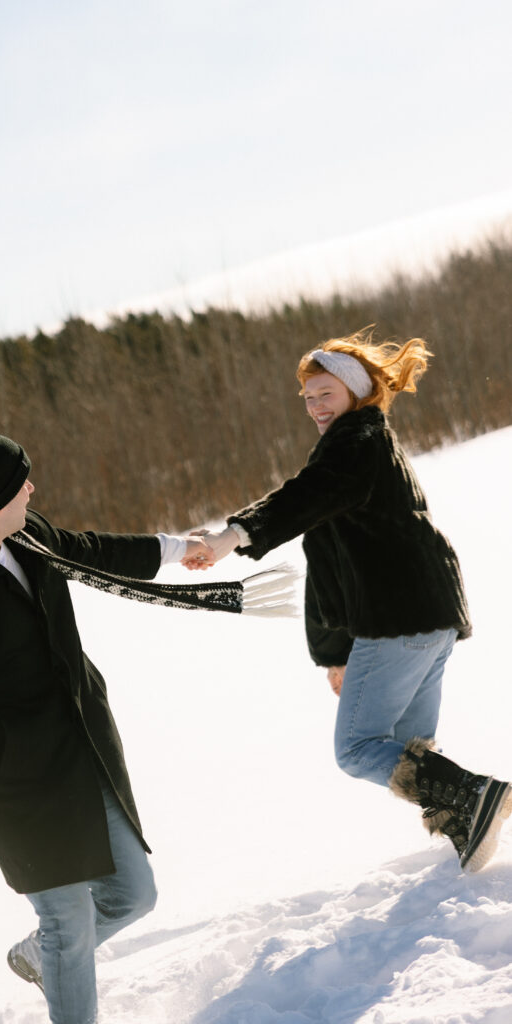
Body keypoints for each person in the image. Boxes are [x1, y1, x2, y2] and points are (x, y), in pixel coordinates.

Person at [0, 431, 218, 1024]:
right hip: (9, 777)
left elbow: (89, 549)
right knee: (68, 917)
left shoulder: (27, 532)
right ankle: (61, 962)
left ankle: (43, 958)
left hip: (76, 743)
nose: (33, 488)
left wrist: (179, 549)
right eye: (23, 481)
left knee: (134, 894)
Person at [184, 328, 511, 872]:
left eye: (326, 394)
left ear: (355, 392)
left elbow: (301, 498)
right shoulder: (368, 446)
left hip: (400, 617)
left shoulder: (355, 440)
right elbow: (328, 559)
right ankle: (464, 822)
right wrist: (335, 651)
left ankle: (477, 797)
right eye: (308, 397)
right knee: (411, 749)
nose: (315, 406)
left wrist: (229, 537)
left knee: (359, 748)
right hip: (433, 613)